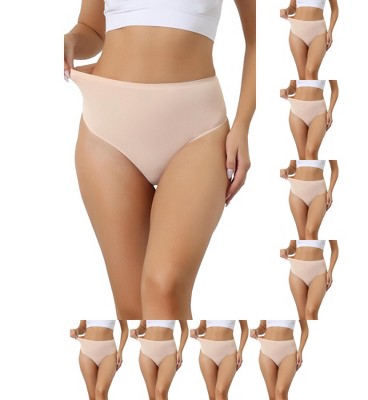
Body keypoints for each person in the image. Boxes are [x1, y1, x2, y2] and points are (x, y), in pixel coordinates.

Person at [64, 0, 256, 319]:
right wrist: (70, 41)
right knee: (133, 309)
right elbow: (92, 30)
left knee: (164, 288)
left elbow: (259, 40)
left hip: (198, 131)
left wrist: (243, 124)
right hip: (108, 132)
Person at [70, 320, 128, 400]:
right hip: (87, 352)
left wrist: (120, 351)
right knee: (93, 396)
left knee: (101, 392)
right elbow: (82, 327)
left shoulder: (118, 311)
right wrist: (76, 331)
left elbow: (125, 329)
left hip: (109, 352)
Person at [280, 0, 339, 79]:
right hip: (297, 31)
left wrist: (330, 31)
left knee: (311, 71)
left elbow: (335, 9)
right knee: (303, 77)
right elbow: (292, 7)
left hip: (319, 32)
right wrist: (286, 10)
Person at [250, 320, 308, 400]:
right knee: (273, 396)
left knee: (281, 391)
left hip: (289, 352)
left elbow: (305, 329)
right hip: (267, 351)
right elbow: (262, 327)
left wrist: (300, 351)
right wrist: (256, 330)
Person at [190, 320, 248, 400]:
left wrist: (240, 351)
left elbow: (245, 329)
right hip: (207, 351)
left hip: (229, 352)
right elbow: (202, 327)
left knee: (221, 392)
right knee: (213, 397)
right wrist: (196, 331)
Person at [130, 320, 188, 400]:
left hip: (169, 352)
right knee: (153, 396)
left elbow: (185, 329)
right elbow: (142, 327)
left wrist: (180, 351)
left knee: (161, 391)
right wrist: (136, 330)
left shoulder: (177, 310)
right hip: (147, 352)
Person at [280, 80, 339, 159]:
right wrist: (286, 90)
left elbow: (334, 88)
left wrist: (330, 111)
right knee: (303, 157)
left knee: (311, 151)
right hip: (297, 111)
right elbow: (293, 87)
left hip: (319, 112)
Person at [280, 160, 338, 239]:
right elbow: (292, 167)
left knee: (311, 231)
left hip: (319, 192)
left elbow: (335, 168)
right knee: (303, 237)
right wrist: (286, 170)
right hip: (297, 191)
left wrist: (330, 191)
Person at [280, 239, 338, 319]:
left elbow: (335, 248)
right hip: (297, 271)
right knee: (303, 316)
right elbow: (292, 247)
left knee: (311, 311)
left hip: (319, 271)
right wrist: (286, 250)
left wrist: (330, 271)